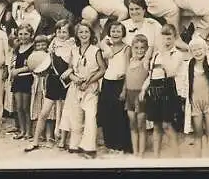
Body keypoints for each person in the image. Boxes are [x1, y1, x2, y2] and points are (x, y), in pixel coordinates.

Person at [59, 21, 107, 158]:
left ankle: (89, 146)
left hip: (90, 86)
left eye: (86, 32)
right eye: (81, 32)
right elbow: (70, 69)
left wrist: (88, 81)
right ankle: (75, 144)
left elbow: (102, 69)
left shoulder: (95, 50)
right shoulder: (74, 50)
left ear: (91, 33)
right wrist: (75, 79)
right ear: (77, 35)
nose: (84, 34)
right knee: (76, 116)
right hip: (76, 86)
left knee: (91, 116)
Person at [24, 21, 73, 152]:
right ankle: (35, 140)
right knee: (44, 112)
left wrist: (70, 70)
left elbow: (73, 64)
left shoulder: (73, 45)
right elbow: (45, 61)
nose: (61, 34)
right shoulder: (52, 44)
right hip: (52, 81)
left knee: (65, 113)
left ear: (69, 33)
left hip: (66, 82)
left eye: (64, 32)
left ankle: (62, 141)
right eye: (59, 31)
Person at [180, 36, 209, 158]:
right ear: (191, 52)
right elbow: (183, 85)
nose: (198, 52)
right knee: (198, 133)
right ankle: (198, 159)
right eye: (194, 50)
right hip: (195, 103)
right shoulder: (188, 66)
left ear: (205, 49)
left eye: (200, 49)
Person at [139, 24, 183, 158]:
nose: (166, 42)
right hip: (153, 90)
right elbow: (151, 74)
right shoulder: (156, 54)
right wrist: (143, 89)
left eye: (169, 38)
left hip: (167, 90)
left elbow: (171, 72)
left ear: (175, 38)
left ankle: (176, 156)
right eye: (164, 38)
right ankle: (156, 157)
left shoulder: (177, 54)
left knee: (167, 125)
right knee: (156, 126)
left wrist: (165, 54)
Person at [97, 22, 132, 154]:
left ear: (123, 33)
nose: (115, 34)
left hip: (119, 83)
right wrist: (105, 44)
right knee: (108, 114)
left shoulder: (127, 48)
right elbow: (105, 63)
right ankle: (110, 144)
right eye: (113, 31)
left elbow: (128, 69)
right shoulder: (107, 48)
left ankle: (121, 145)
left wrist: (124, 89)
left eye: (118, 31)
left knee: (120, 116)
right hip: (107, 83)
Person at [120, 34, 150, 158]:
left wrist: (147, 52)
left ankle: (142, 152)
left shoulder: (146, 62)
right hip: (129, 95)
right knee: (132, 124)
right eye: (136, 48)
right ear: (132, 48)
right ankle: (135, 151)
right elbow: (127, 78)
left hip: (140, 95)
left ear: (146, 49)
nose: (139, 50)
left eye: (142, 48)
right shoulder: (130, 61)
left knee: (141, 124)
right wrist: (123, 91)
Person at [9, 23, 35, 140]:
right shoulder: (17, 48)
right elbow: (13, 62)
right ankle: (22, 130)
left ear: (31, 35)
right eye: (21, 34)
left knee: (25, 107)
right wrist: (12, 71)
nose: (23, 36)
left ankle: (29, 131)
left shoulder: (33, 48)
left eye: (26, 34)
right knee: (18, 107)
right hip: (17, 79)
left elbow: (32, 65)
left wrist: (18, 70)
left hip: (27, 78)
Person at [120, 0, 162, 69]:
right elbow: (106, 41)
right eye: (131, 9)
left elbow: (161, 44)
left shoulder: (153, 24)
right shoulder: (123, 25)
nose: (134, 12)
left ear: (144, 10)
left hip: (149, 64)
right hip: (126, 64)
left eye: (137, 9)